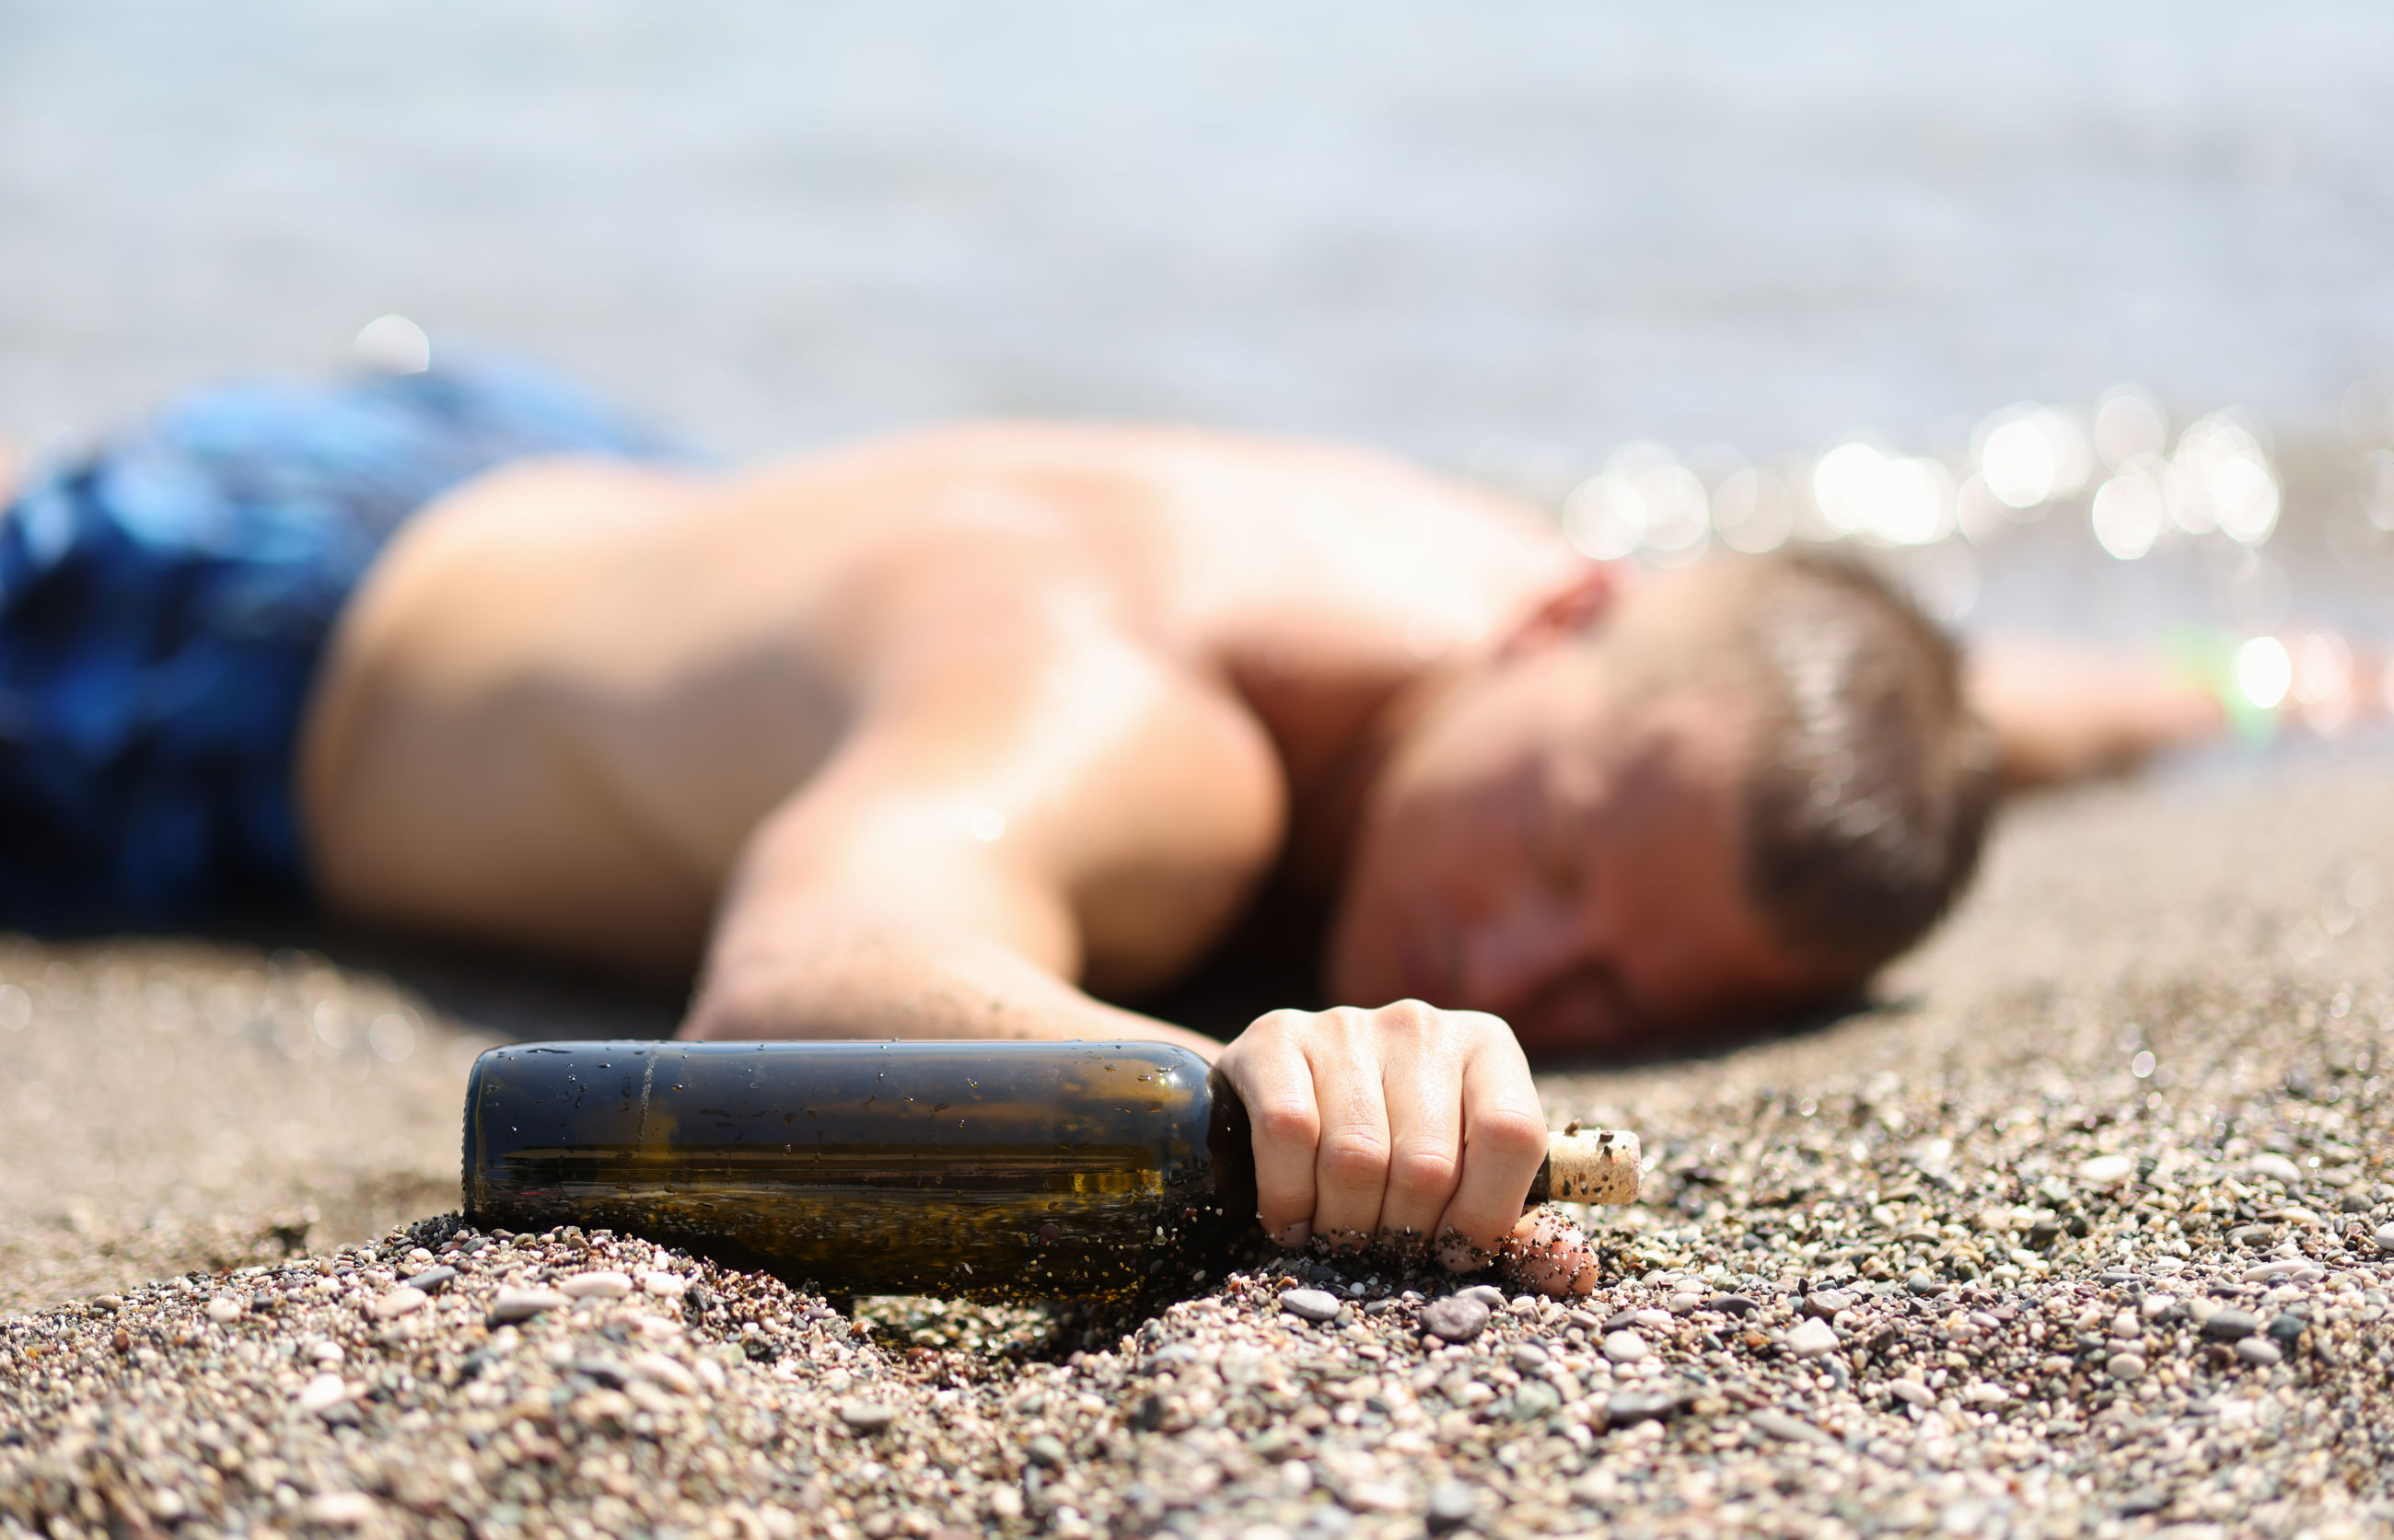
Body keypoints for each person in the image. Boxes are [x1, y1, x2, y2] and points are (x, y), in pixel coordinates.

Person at [0, 344, 2225, 1291]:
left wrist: (2246, 689)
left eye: (1620, 984)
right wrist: (1253, 1079)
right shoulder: (1128, 710)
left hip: (580, 476)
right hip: (235, 647)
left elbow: (1972, 709)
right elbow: (799, 981)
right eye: (1549, 858)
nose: (1523, 963)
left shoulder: (1575, 637)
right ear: (1559, 621)